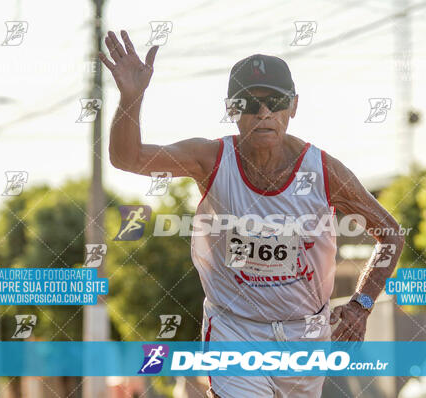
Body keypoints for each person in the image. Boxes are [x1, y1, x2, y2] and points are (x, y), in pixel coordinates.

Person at [100, 30, 404, 398]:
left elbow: (390, 233)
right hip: (235, 330)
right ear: (232, 109)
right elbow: (127, 158)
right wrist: (131, 99)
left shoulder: (323, 171)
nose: (264, 113)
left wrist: (361, 305)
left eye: (275, 101)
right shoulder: (210, 159)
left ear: (293, 107)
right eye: (250, 102)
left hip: (305, 334)